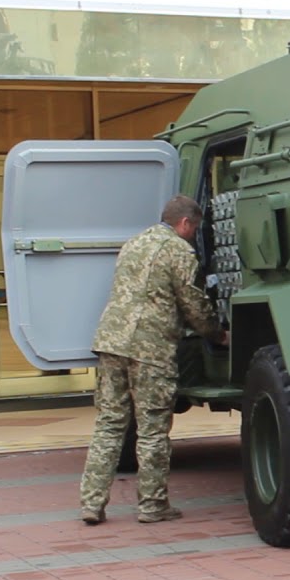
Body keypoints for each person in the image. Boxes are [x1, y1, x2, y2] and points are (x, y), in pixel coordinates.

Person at [80, 195, 228, 525]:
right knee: (152, 430)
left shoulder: (133, 244)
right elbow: (192, 301)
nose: (193, 235)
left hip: (111, 342)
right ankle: (152, 505)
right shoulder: (178, 250)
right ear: (185, 223)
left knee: (108, 425)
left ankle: (91, 503)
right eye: (194, 229)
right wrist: (217, 334)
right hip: (151, 349)